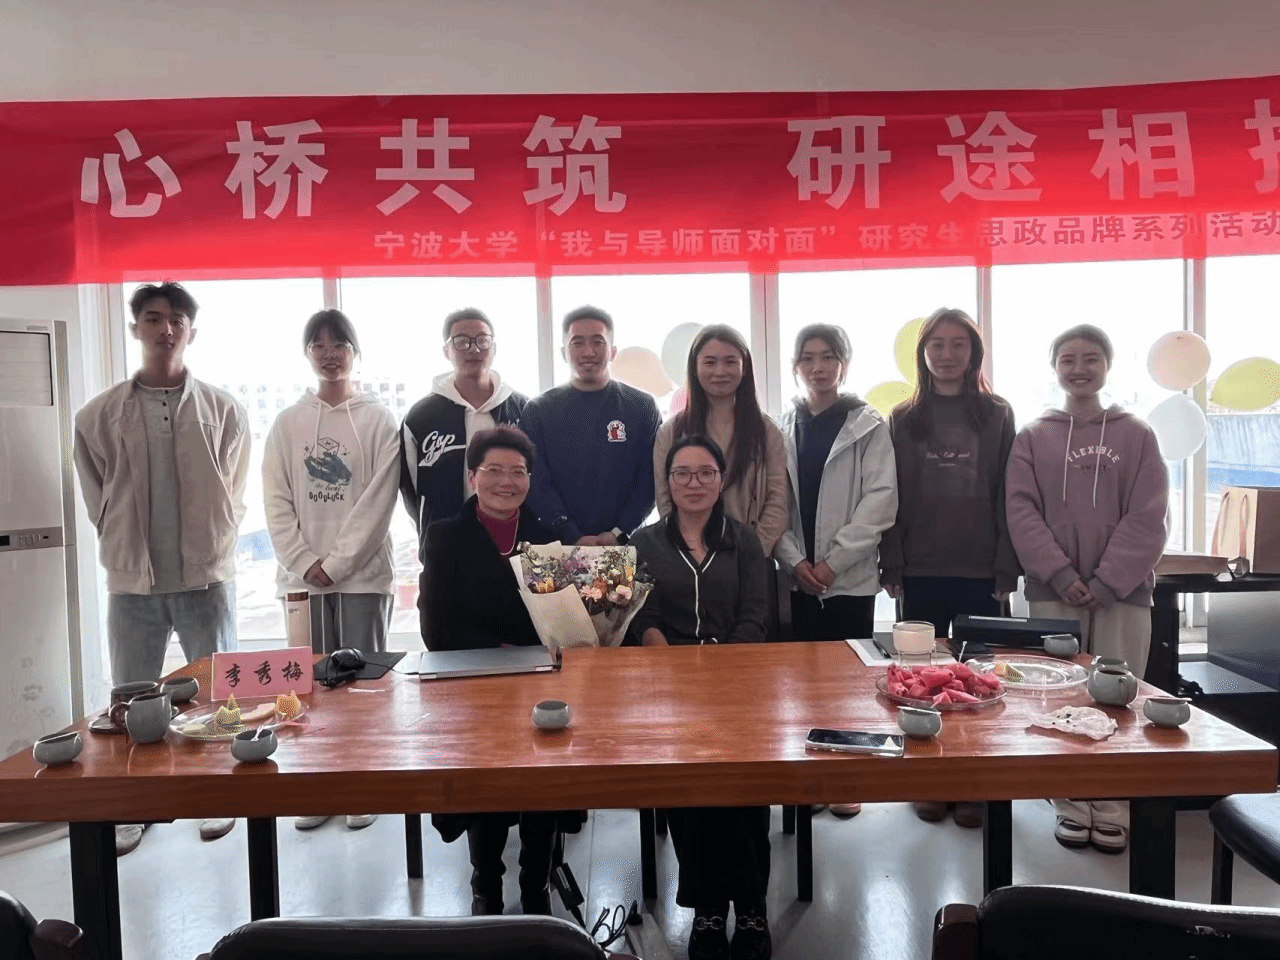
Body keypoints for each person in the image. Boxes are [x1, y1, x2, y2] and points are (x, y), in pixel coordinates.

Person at [73, 281, 249, 856]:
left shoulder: (224, 408)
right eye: (152, 318)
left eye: (176, 319)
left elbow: (233, 486)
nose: (165, 329)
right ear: (135, 328)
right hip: (133, 582)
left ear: (191, 330)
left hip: (206, 578)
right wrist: (117, 532)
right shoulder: (97, 414)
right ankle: (134, 807)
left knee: (220, 695)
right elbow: (95, 493)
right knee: (131, 701)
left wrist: (218, 532)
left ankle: (220, 796)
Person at [1006, 323, 1168, 854]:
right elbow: (1021, 511)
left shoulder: (1137, 434)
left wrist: (1108, 579)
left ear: (1107, 365)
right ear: (1054, 367)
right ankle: (1070, 802)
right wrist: (1061, 574)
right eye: (1068, 359)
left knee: (1121, 695)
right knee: (1059, 695)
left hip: (1123, 592)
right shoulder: (1034, 435)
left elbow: (1149, 515)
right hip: (1054, 592)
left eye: (1091, 358)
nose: (1079, 368)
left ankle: (1113, 804)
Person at [420, 425, 578, 914]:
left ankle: (536, 885)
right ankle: (485, 884)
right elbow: (436, 630)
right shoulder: (445, 536)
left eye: (518, 471)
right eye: (494, 470)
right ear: (473, 476)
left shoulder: (545, 537)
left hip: (538, 683)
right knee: (485, 782)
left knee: (543, 779)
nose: (506, 482)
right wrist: (507, 650)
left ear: (530, 479)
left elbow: (560, 619)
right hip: (475, 686)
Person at [878, 307, 1020, 829]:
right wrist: (892, 560)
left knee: (978, 681)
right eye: (936, 344)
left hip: (980, 569)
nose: (946, 354)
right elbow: (891, 496)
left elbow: (1009, 494)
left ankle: (974, 783)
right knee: (920, 681)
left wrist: (1006, 567)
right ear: (923, 353)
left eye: (958, 344)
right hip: (920, 568)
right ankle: (931, 780)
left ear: (974, 353)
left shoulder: (997, 414)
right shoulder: (903, 417)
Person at [630, 435, 771, 960]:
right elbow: (639, 615)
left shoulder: (744, 541)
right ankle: (708, 907)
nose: (694, 483)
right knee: (690, 789)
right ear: (668, 483)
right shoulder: (645, 543)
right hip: (670, 687)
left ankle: (751, 906)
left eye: (705, 472)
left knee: (744, 787)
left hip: (739, 685)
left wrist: (722, 675)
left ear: (721, 480)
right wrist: (671, 664)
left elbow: (756, 617)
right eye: (682, 473)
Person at [263, 308, 399, 833]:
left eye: (339, 344)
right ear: (307, 354)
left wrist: (339, 562)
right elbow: (275, 499)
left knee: (363, 687)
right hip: (303, 583)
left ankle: (363, 786)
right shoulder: (287, 423)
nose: (329, 353)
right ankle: (318, 787)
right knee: (309, 688)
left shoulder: (379, 420)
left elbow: (379, 502)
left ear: (355, 352)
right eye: (318, 345)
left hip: (364, 576)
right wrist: (304, 561)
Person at [775, 324, 897, 819]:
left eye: (828, 357)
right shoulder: (783, 426)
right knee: (804, 683)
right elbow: (775, 504)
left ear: (844, 364)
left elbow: (880, 501)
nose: (818, 367)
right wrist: (794, 561)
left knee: (849, 682)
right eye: (808, 358)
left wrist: (833, 562)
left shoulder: (868, 425)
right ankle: (810, 779)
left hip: (849, 579)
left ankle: (846, 778)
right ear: (795, 367)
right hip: (798, 578)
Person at [519, 305, 660, 546]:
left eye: (598, 342)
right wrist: (570, 534)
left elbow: (650, 480)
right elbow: (536, 482)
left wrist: (619, 532)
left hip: (623, 544)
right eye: (577, 343)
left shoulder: (641, 407)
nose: (588, 351)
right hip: (556, 546)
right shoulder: (538, 410)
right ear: (564, 352)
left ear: (613, 351)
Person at [400, 307, 527, 562]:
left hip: (514, 552)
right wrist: (430, 533)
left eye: (482, 340)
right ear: (447, 350)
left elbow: (536, 478)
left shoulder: (522, 410)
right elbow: (410, 488)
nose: (473, 349)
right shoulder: (421, 417)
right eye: (461, 341)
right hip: (444, 554)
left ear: (493, 348)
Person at [654, 324, 788, 556]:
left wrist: (751, 554)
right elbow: (665, 499)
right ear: (694, 368)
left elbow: (778, 501)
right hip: (688, 560)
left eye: (730, 362)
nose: (720, 371)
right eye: (710, 362)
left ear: (744, 368)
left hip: (749, 558)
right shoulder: (671, 432)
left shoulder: (767, 432)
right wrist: (693, 554)